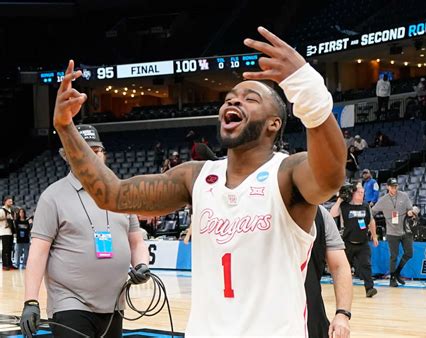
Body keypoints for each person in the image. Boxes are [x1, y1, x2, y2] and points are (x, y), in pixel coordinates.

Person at [51, 26, 346, 337]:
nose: (233, 102)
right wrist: (65, 127)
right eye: (229, 98)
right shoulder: (196, 176)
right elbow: (112, 194)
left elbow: (331, 176)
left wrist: (307, 89)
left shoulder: (287, 173)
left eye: (250, 98)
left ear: (274, 123)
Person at [20, 124, 151, 338]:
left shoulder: (121, 193)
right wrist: (31, 301)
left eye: (96, 151)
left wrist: (142, 265)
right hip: (70, 303)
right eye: (84, 151)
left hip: (114, 303)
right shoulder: (52, 197)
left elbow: (136, 242)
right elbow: (38, 253)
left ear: (103, 154)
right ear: (69, 156)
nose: (92, 156)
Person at [305, 205, 352, 338]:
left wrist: (343, 313)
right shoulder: (247, 207)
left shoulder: (320, 214)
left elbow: (339, 266)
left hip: (311, 317)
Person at [330, 183, 378, 297]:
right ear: (353, 193)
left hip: (363, 242)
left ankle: (369, 289)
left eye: (363, 192)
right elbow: (332, 214)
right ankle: (342, 290)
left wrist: (374, 235)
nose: (362, 194)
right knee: (345, 268)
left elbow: (371, 221)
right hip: (347, 243)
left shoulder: (366, 206)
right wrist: (339, 200)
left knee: (366, 265)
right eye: (359, 192)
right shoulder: (345, 206)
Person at [372, 178, 418, 287]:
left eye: (396, 186)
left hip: (405, 231)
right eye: (392, 186)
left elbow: (411, 209)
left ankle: (397, 273)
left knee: (409, 253)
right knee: (394, 256)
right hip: (392, 233)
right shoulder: (383, 200)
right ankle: (392, 278)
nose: (394, 188)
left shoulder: (403, 196)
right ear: (388, 187)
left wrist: (411, 212)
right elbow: (372, 212)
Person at [0, 196, 16, 271]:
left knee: (10, 249)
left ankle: (10, 264)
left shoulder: (11, 210)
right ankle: (5, 265)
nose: (11, 203)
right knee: (5, 249)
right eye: (9, 201)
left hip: (10, 232)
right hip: (4, 232)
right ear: (5, 201)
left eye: (11, 201)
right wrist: (7, 218)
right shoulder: (1, 210)